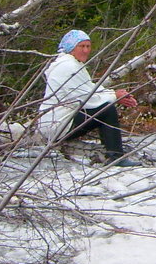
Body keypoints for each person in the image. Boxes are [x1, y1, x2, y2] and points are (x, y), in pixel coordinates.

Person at [40, 29, 140, 167]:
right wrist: (114, 96)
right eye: (81, 46)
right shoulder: (68, 66)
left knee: (105, 106)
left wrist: (114, 94)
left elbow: (90, 88)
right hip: (57, 125)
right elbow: (86, 98)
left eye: (88, 46)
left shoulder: (70, 63)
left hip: (55, 122)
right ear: (71, 48)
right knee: (107, 110)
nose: (86, 50)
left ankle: (111, 152)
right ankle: (115, 156)